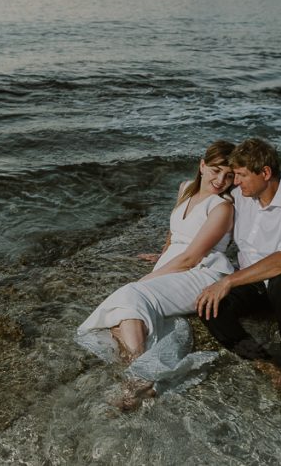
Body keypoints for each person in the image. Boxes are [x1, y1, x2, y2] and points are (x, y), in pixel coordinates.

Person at [76, 140, 236, 408]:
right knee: (124, 316)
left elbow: (192, 257)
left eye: (229, 175)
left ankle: (138, 375)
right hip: (175, 263)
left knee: (131, 295)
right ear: (202, 165)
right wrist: (162, 254)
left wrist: (145, 279)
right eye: (216, 170)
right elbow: (175, 232)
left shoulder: (222, 206)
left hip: (202, 272)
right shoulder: (186, 188)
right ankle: (140, 374)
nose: (221, 180)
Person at [194, 137, 281, 411]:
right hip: (256, 285)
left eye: (242, 175)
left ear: (265, 173)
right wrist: (169, 251)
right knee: (210, 306)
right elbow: (198, 207)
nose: (236, 182)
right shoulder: (243, 197)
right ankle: (276, 374)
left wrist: (228, 280)